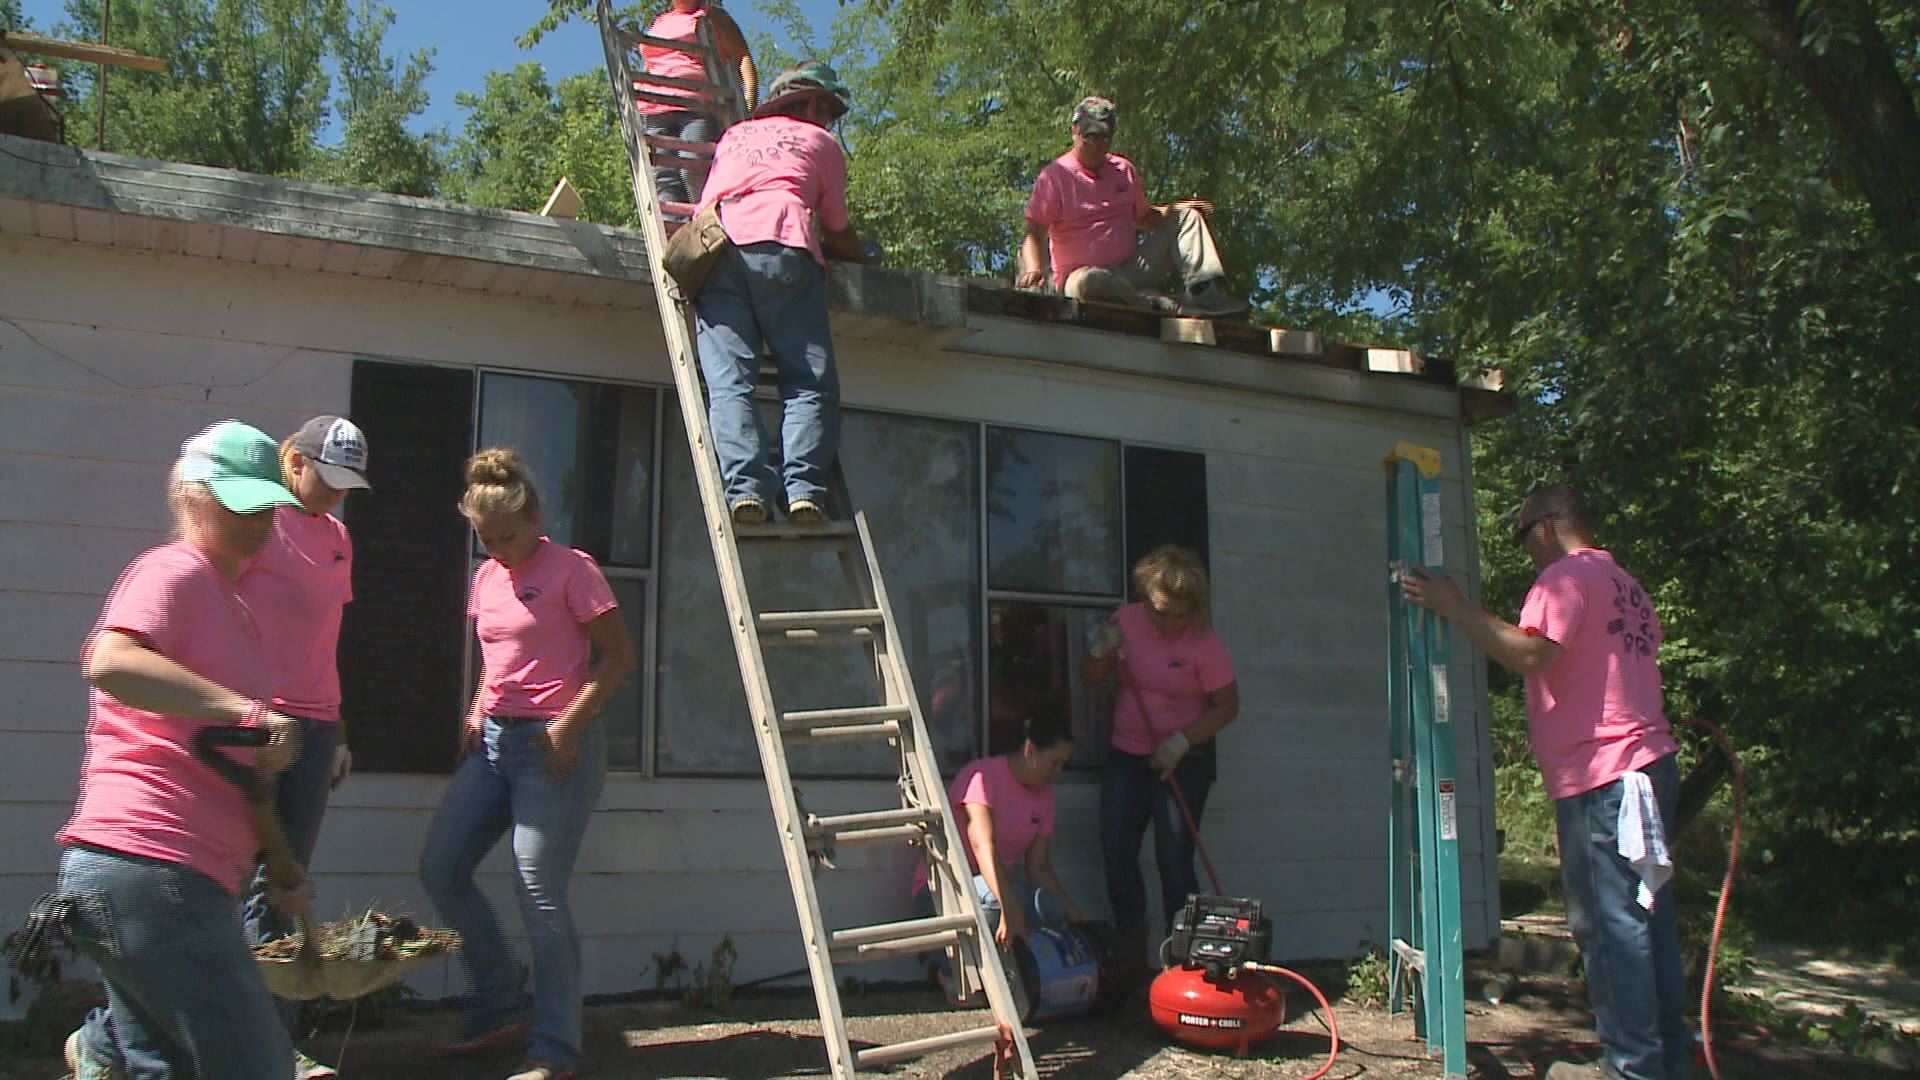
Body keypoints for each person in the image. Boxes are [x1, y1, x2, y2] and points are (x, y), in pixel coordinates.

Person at [1401, 484, 1689, 1080]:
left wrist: (1454, 607)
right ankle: (1668, 1062)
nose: (1527, 549)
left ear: (1546, 527)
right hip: (1648, 768)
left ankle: (1635, 1068)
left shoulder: (1563, 581)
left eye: (1524, 535)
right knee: (1649, 921)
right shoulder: (1627, 586)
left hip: (1603, 777)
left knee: (1610, 930)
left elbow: (1531, 655)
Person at [54, 420, 307, 1079]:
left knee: (160, 1069)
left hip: (157, 876)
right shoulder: (173, 571)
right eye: (237, 502)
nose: (256, 521)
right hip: (152, 865)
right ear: (191, 497)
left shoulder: (235, 612)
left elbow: (233, 768)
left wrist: (280, 865)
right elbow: (109, 660)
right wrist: (246, 711)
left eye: (266, 507)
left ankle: (97, 1054)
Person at [419, 448, 636, 1080]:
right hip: (493, 742)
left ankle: (555, 1050)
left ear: (534, 517)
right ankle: (497, 997)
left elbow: (618, 657)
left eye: (506, 536)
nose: (497, 549)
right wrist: (475, 710)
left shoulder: (573, 569)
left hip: (554, 746)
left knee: (537, 889)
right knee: (442, 866)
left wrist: (569, 726)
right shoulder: (487, 576)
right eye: (485, 538)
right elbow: (498, 657)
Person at [235, 414, 371, 1080]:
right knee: (253, 884)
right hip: (260, 721)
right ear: (293, 461)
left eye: (347, 485)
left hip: (317, 727)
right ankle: (263, 1049)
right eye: (327, 478)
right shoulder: (257, 521)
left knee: (288, 887)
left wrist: (339, 731)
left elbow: (327, 641)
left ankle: (271, 1045)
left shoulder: (340, 538)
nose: (334, 495)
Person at [692, 60, 868, 525]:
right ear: (809, 103)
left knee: (730, 383)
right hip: (783, 242)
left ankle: (746, 490)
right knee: (808, 380)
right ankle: (805, 491)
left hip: (718, 249)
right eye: (826, 109)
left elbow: (705, 203)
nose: (829, 120)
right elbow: (837, 228)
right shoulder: (820, 142)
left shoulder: (735, 136)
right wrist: (864, 257)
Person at [1080, 545, 1239, 972]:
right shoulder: (1127, 621)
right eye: (1158, 611)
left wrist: (1183, 742)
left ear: (1194, 608)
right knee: (1116, 850)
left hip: (1183, 760)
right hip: (1127, 754)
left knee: (1173, 857)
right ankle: (1133, 954)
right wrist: (1101, 650)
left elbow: (1228, 706)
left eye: (1177, 614)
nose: (1166, 622)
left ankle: (1185, 961)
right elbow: (1092, 679)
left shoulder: (1206, 644)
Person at [1016, 96, 1246, 318]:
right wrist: (1033, 270)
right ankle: (1155, 304)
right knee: (1090, 283)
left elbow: (1145, 217)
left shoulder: (1123, 170)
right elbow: (1034, 232)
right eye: (1090, 136)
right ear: (1075, 131)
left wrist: (1177, 209)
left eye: (1103, 137)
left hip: (1129, 271)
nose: (1096, 144)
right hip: (1080, 279)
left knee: (1187, 216)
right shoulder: (1056, 176)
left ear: (1112, 136)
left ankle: (1206, 294)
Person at [912, 713, 1088, 998]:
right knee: (998, 905)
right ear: (1029, 750)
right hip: (945, 892)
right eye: (1054, 763)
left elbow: (1039, 867)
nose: (1058, 772)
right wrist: (1010, 907)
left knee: (1050, 909)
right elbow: (983, 845)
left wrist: (1071, 912)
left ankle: (1014, 976)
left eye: (1064, 765)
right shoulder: (981, 776)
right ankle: (951, 972)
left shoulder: (1045, 797)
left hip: (999, 890)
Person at [635, 0, 757, 204]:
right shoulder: (660, 22)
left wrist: (749, 103)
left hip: (697, 106)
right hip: (656, 109)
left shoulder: (711, 16)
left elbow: (742, 57)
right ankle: (677, 231)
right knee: (665, 177)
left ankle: (704, 223)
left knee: (694, 166)